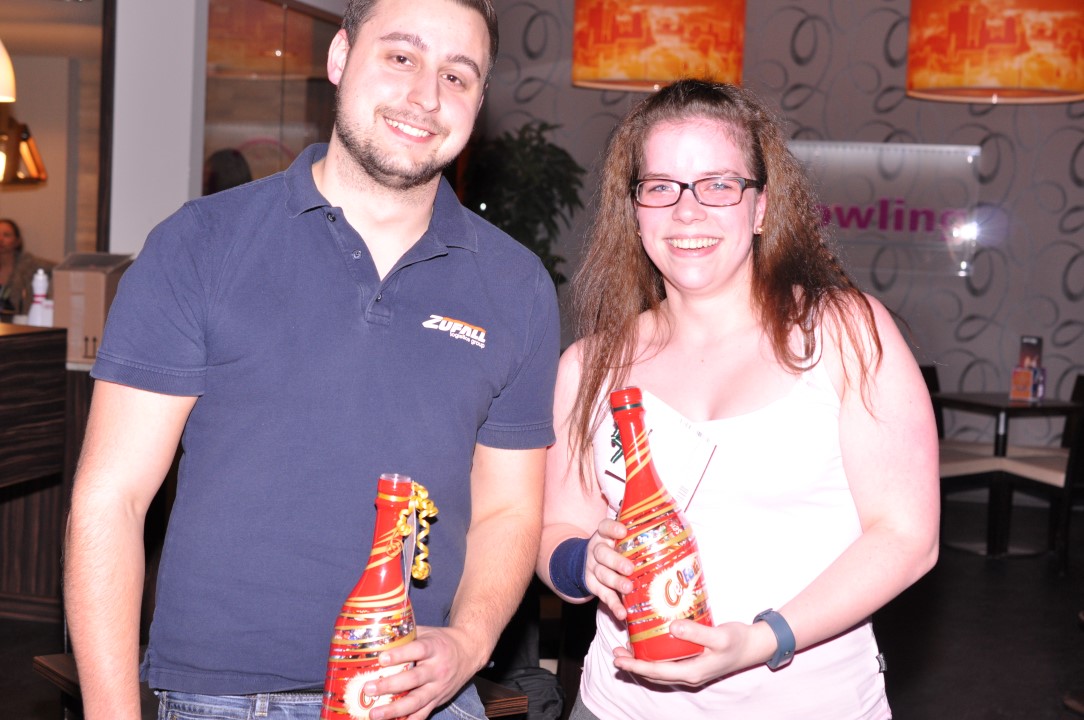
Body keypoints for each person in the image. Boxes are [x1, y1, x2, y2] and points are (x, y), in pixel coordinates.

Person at [63, 1, 559, 720]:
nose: (426, 95)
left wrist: (470, 639)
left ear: (478, 102)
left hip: (423, 695)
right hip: (227, 698)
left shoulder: (517, 286)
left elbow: (509, 510)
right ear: (339, 58)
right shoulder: (200, 245)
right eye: (401, 57)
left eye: (457, 75)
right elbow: (111, 500)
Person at [537, 79, 940, 719]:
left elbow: (908, 537)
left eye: (718, 185)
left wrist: (763, 639)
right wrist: (583, 563)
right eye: (661, 187)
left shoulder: (845, 333)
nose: (687, 211)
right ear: (635, 210)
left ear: (759, 208)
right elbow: (556, 530)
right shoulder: (589, 366)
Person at [0, 217, 56, 316]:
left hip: (23, 320)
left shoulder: (30, 264)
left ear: (17, 241)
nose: (0, 239)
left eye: (6, 235)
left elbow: (60, 270)